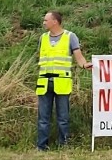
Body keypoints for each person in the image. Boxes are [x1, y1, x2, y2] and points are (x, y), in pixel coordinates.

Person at [36, 10, 92, 151]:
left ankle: (64, 145)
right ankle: (41, 147)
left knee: (63, 118)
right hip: (44, 82)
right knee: (43, 118)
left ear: (55, 21)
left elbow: (78, 56)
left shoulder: (70, 37)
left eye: (46, 20)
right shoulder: (43, 38)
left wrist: (85, 65)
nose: (44, 23)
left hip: (61, 82)